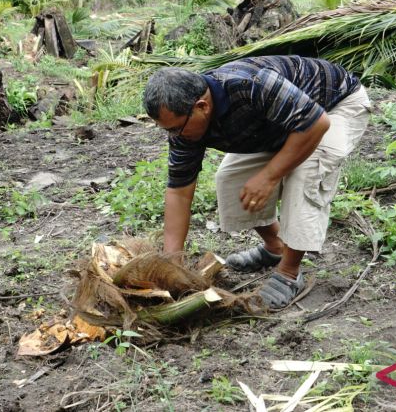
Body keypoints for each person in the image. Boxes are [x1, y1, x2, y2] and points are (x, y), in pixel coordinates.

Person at [143, 55, 371, 309]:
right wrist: (172, 265)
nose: (174, 136)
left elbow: (316, 124)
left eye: (175, 128)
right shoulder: (184, 123)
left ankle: (289, 273)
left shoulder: (251, 84)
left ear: (202, 106)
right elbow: (179, 193)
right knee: (230, 178)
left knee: (305, 176)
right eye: (167, 130)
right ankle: (276, 247)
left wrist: (269, 176)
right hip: (283, 122)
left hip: (334, 107)